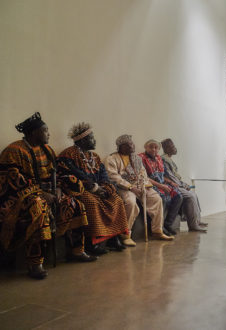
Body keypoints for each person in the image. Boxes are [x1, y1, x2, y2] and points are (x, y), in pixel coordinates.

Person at [0, 113, 96, 279]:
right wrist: (41, 194)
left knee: (75, 204)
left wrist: (58, 190)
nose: (49, 134)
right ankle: (35, 263)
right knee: (39, 208)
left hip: (47, 194)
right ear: (33, 133)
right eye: (45, 130)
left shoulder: (48, 150)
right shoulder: (14, 151)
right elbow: (12, 182)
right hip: (19, 199)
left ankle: (76, 251)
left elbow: (56, 174)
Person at [58, 123, 129, 253]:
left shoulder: (94, 156)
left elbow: (103, 174)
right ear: (83, 140)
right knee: (92, 203)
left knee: (116, 200)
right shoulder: (67, 154)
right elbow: (74, 175)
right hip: (80, 189)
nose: (94, 140)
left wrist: (105, 187)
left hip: (98, 188)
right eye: (92, 137)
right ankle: (92, 244)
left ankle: (114, 238)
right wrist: (95, 189)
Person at [104, 135, 173, 244]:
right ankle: (126, 235)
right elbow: (113, 177)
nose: (132, 146)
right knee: (131, 203)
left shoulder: (136, 158)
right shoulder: (111, 159)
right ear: (121, 147)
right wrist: (131, 187)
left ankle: (157, 230)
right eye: (129, 145)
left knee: (156, 199)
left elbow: (143, 174)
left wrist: (144, 185)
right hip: (124, 187)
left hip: (140, 185)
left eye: (132, 143)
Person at [161, 139, 207, 232]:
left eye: (173, 145)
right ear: (165, 148)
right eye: (171, 146)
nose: (174, 148)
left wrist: (184, 184)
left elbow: (175, 176)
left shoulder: (169, 159)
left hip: (176, 184)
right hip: (170, 185)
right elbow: (171, 177)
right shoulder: (164, 159)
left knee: (193, 194)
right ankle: (193, 225)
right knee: (190, 196)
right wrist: (182, 185)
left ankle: (197, 220)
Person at [138, 140, 183, 236]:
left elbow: (162, 176)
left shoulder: (159, 158)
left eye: (156, 147)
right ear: (146, 147)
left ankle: (167, 224)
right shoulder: (141, 158)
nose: (153, 149)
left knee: (178, 196)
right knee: (162, 197)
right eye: (151, 147)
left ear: (158, 149)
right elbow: (145, 178)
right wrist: (161, 186)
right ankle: (159, 227)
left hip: (162, 184)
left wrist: (170, 182)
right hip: (150, 185)